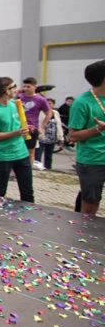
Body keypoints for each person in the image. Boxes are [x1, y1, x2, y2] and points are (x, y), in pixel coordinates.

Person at [0, 77, 34, 202]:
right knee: (0, 191)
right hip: (3, 156)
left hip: (21, 153)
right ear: (6, 91)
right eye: (14, 87)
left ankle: (30, 211)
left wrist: (26, 128)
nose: (17, 89)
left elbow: (18, 125)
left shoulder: (15, 105)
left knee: (27, 190)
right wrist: (16, 133)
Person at [67, 60, 105, 216]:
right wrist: (98, 129)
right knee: (90, 205)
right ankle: (84, 230)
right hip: (93, 160)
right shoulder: (82, 103)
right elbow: (73, 136)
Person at [17, 77, 52, 170]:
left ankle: (28, 170)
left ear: (34, 87)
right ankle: (14, 170)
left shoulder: (40, 99)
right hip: (18, 127)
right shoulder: (19, 97)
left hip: (32, 128)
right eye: (24, 86)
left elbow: (49, 113)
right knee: (16, 149)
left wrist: (42, 127)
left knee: (30, 151)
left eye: (28, 86)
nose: (26, 89)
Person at [36, 98, 64, 170]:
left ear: (53, 105)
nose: (48, 105)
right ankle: (38, 168)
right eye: (47, 103)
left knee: (49, 155)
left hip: (52, 137)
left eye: (50, 103)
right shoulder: (40, 112)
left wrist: (61, 138)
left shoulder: (56, 113)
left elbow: (59, 125)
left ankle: (48, 168)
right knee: (38, 154)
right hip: (42, 136)